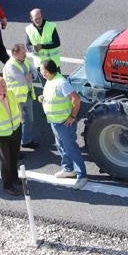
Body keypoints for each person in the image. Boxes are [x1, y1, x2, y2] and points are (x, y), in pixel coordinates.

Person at [38, 59, 87, 190]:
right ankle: (68, 169)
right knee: (61, 146)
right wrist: (44, 98)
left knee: (71, 148)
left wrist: (72, 116)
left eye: (41, 70)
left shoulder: (61, 82)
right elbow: (56, 96)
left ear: (47, 72)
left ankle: (82, 176)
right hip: (55, 121)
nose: (40, 72)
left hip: (64, 122)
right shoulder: (51, 80)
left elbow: (76, 99)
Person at [3, 44, 40, 149]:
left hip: (27, 96)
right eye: (23, 53)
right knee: (17, 124)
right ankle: (15, 148)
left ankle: (26, 141)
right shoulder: (10, 66)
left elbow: (34, 71)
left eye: (25, 52)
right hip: (16, 99)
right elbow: (23, 79)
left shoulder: (25, 60)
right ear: (15, 54)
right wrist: (29, 76)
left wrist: (31, 75)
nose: (25, 54)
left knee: (29, 119)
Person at [25, 8, 61, 85]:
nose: (38, 20)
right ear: (31, 19)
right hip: (40, 65)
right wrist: (33, 48)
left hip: (53, 63)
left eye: (40, 18)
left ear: (42, 16)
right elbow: (28, 46)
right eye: (36, 19)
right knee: (46, 86)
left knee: (58, 85)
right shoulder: (29, 29)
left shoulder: (51, 26)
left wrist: (42, 46)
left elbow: (57, 43)